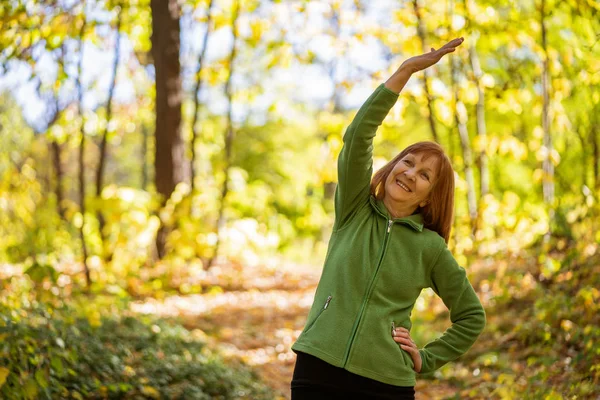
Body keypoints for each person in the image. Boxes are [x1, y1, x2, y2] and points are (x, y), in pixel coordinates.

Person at [290, 37, 486, 400]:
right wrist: (406, 70)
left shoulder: (430, 248)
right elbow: (358, 136)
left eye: (425, 175)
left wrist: (426, 359)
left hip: (386, 383)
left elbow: (472, 316)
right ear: (393, 165)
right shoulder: (354, 208)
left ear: (431, 196)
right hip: (318, 365)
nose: (411, 173)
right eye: (408, 162)